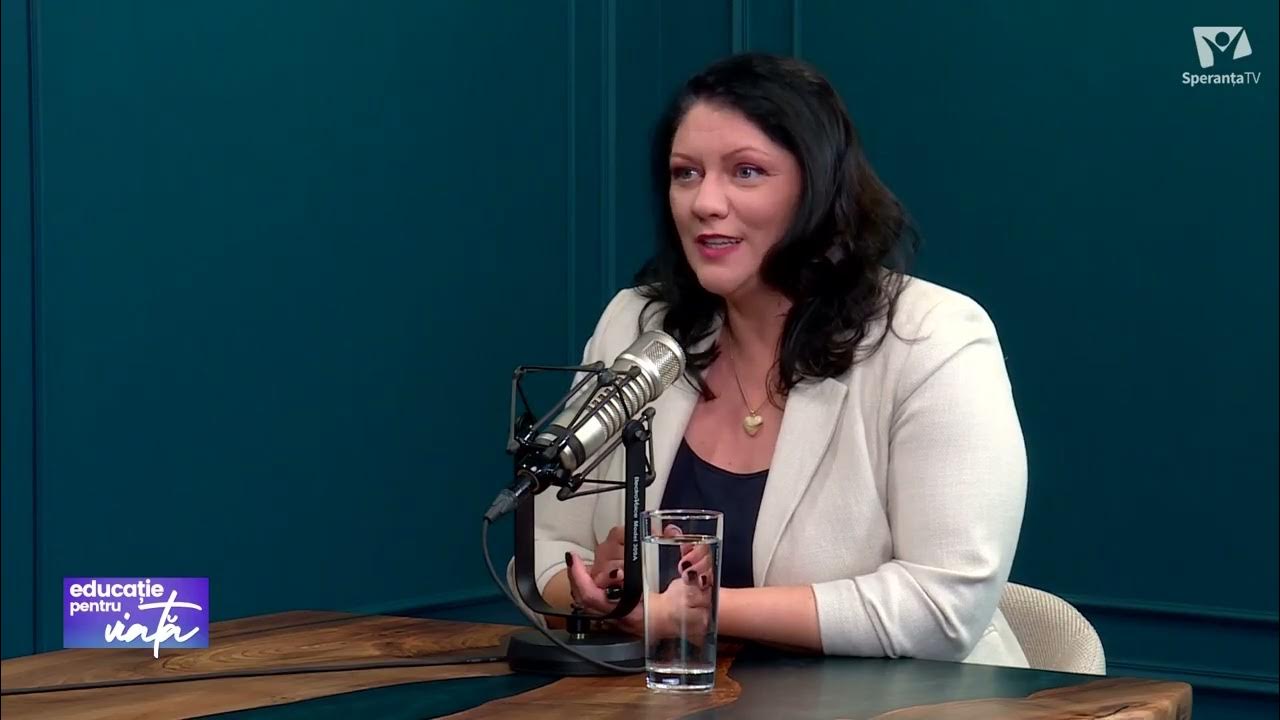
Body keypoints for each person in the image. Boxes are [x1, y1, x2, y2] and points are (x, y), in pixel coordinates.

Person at [528, 53, 1028, 667]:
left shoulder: (932, 337)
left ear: (815, 188)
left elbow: (943, 607)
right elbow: (547, 546)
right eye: (686, 173)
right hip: (675, 700)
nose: (705, 201)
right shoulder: (637, 325)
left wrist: (698, 611)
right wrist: (601, 594)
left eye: (746, 171)